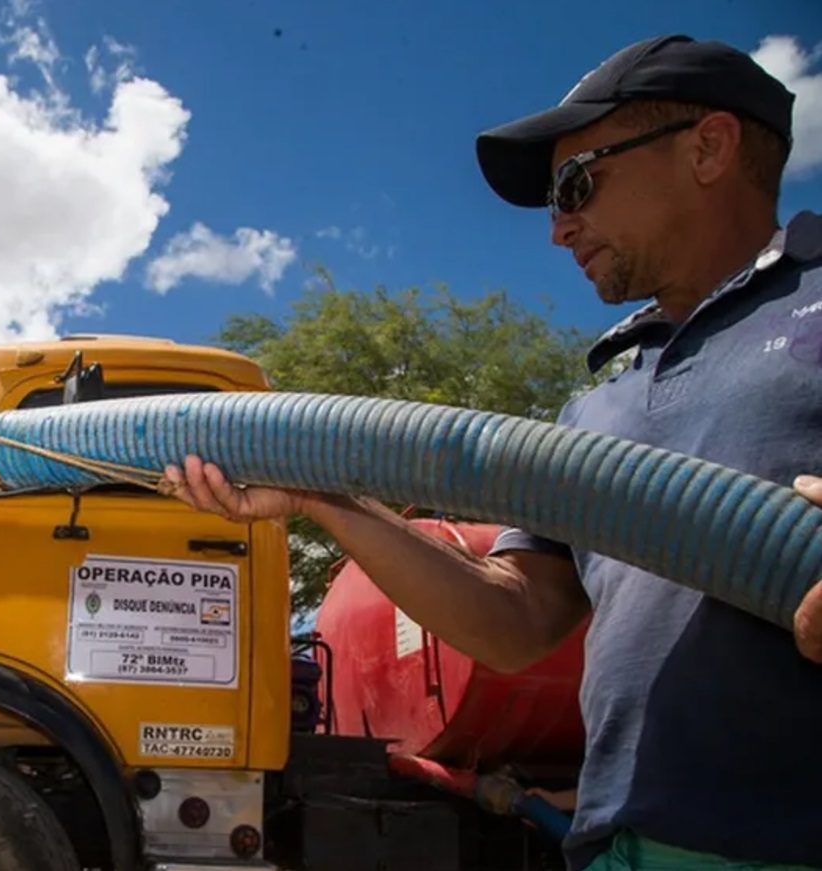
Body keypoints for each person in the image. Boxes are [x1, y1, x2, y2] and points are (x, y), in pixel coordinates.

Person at [165, 34, 822, 871]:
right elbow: (516, 621)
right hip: (623, 846)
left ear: (709, 148)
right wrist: (324, 495)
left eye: (577, 184)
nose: (558, 229)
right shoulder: (600, 403)